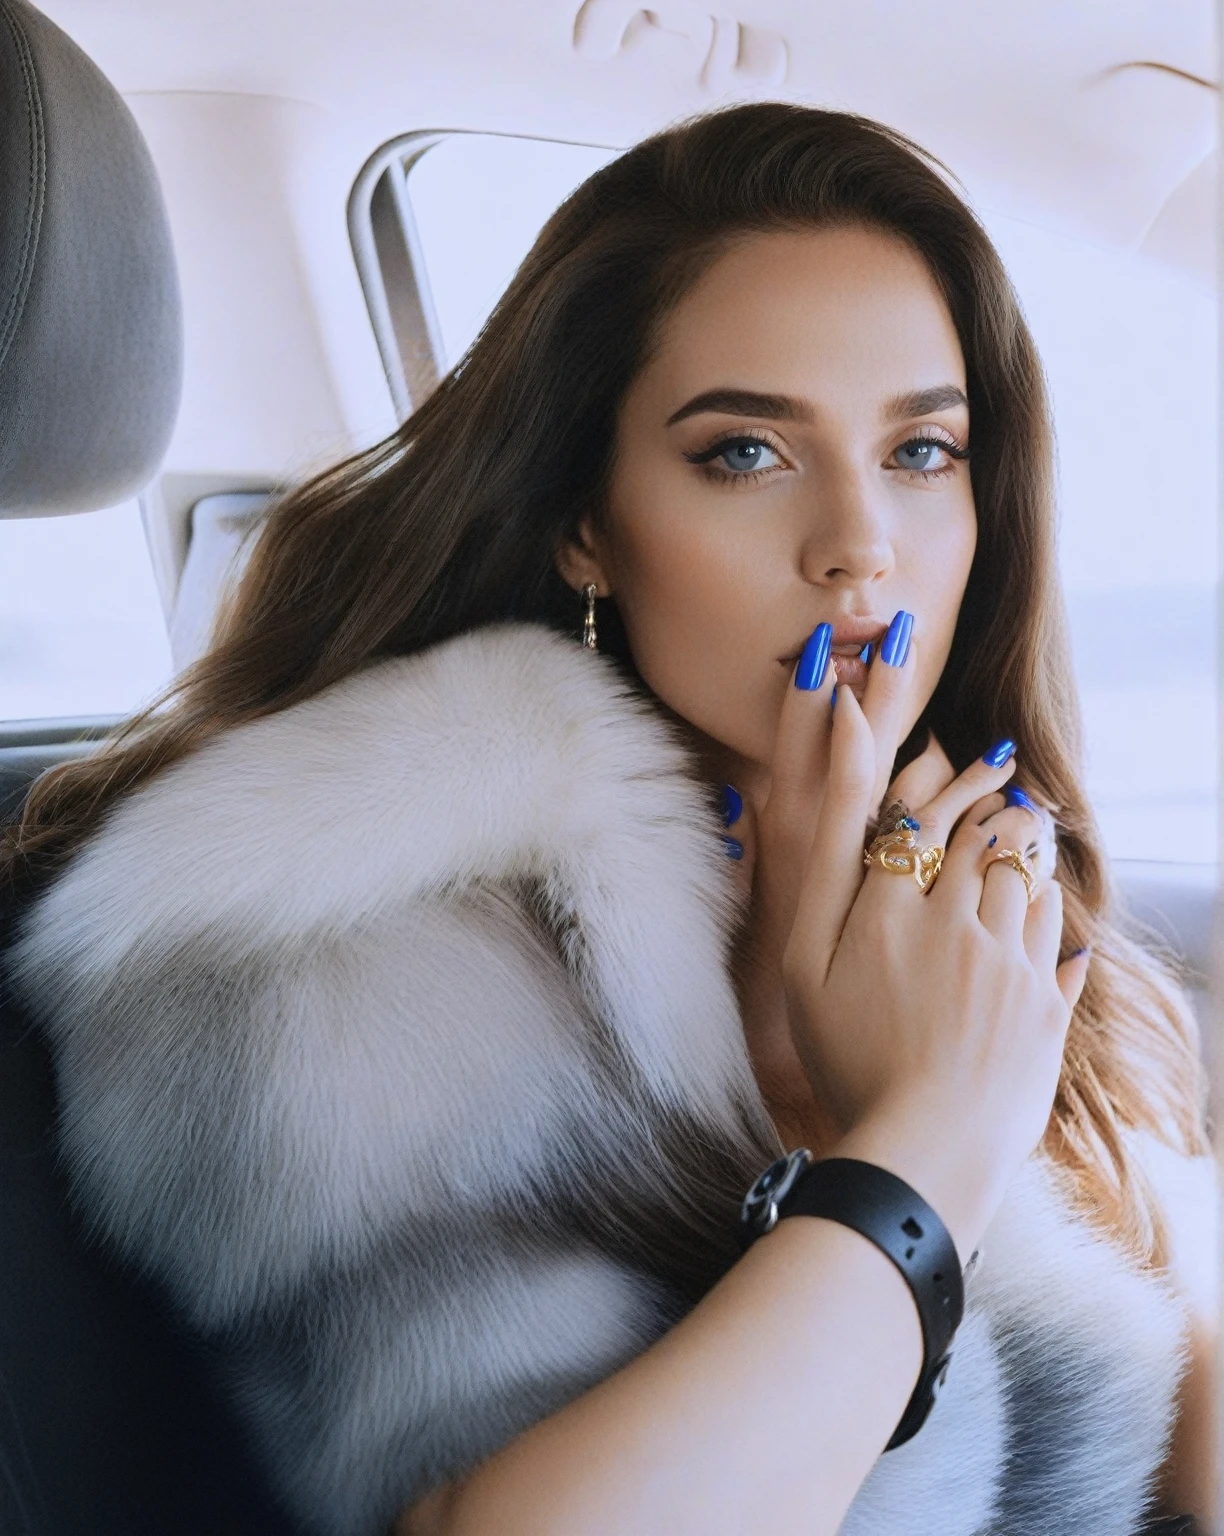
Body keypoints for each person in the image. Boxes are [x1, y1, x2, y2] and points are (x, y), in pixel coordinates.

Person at [2, 103, 1211, 1536]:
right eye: (746, 454)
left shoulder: (969, 918)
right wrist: (930, 1146)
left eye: (922, 452)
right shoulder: (337, 955)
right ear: (587, 520)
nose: (858, 545)